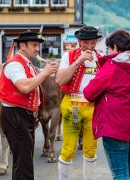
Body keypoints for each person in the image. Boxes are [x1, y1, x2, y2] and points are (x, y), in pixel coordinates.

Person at [83, 29, 130, 180]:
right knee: (129, 170)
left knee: (120, 174)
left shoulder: (112, 66)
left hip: (115, 126)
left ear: (114, 47)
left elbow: (89, 93)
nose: (107, 52)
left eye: (108, 48)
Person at [0, 31, 58, 180]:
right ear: (22, 46)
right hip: (15, 116)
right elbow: (23, 87)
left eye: (38, 45)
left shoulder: (27, 64)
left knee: (24, 161)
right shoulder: (15, 64)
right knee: (24, 163)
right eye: (34, 45)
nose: (37, 49)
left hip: (22, 116)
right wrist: (45, 73)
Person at [55, 26, 102, 180]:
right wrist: (79, 61)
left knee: (90, 149)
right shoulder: (69, 56)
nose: (90, 47)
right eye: (86, 43)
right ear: (79, 42)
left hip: (94, 108)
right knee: (69, 149)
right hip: (73, 106)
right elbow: (60, 80)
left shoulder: (101, 58)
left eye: (93, 43)